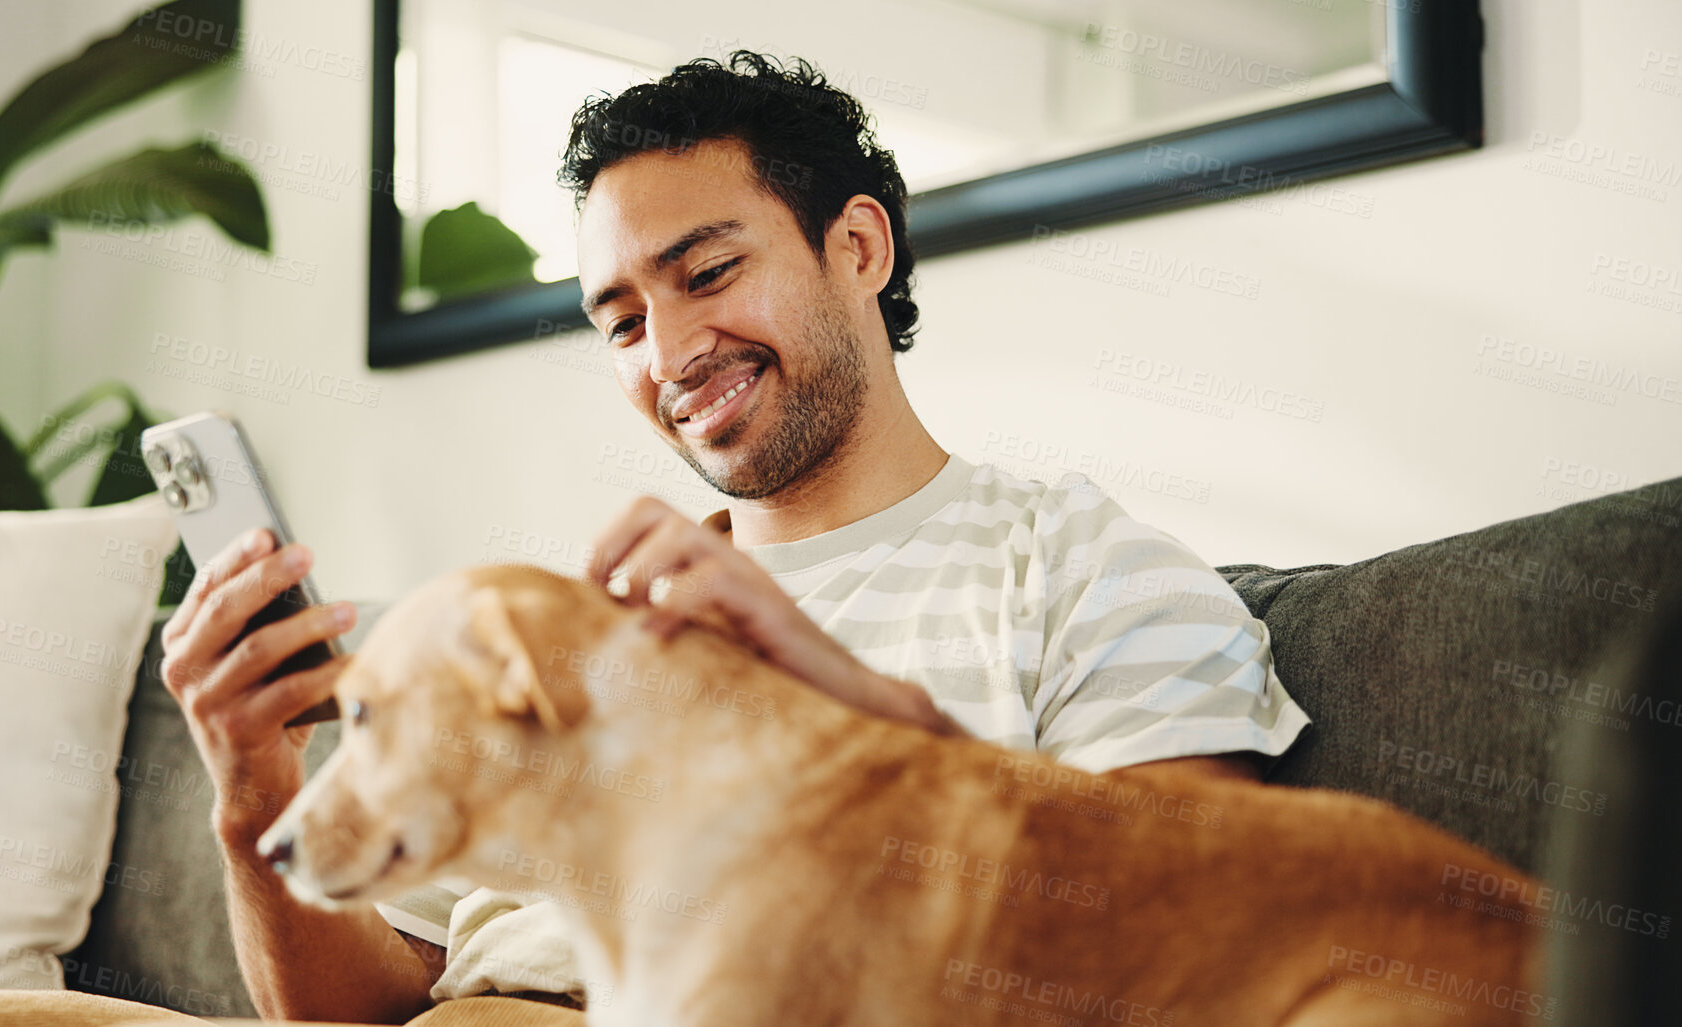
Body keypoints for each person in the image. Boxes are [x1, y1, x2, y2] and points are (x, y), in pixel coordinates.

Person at [158, 51, 1309, 1025]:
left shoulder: (1084, 571)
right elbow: (371, 1005)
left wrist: (825, 690)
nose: (668, 353)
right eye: (619, 323)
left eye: (708, 273)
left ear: (858, 247)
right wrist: (253, 787)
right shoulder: (552, 640)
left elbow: (1174, 938)